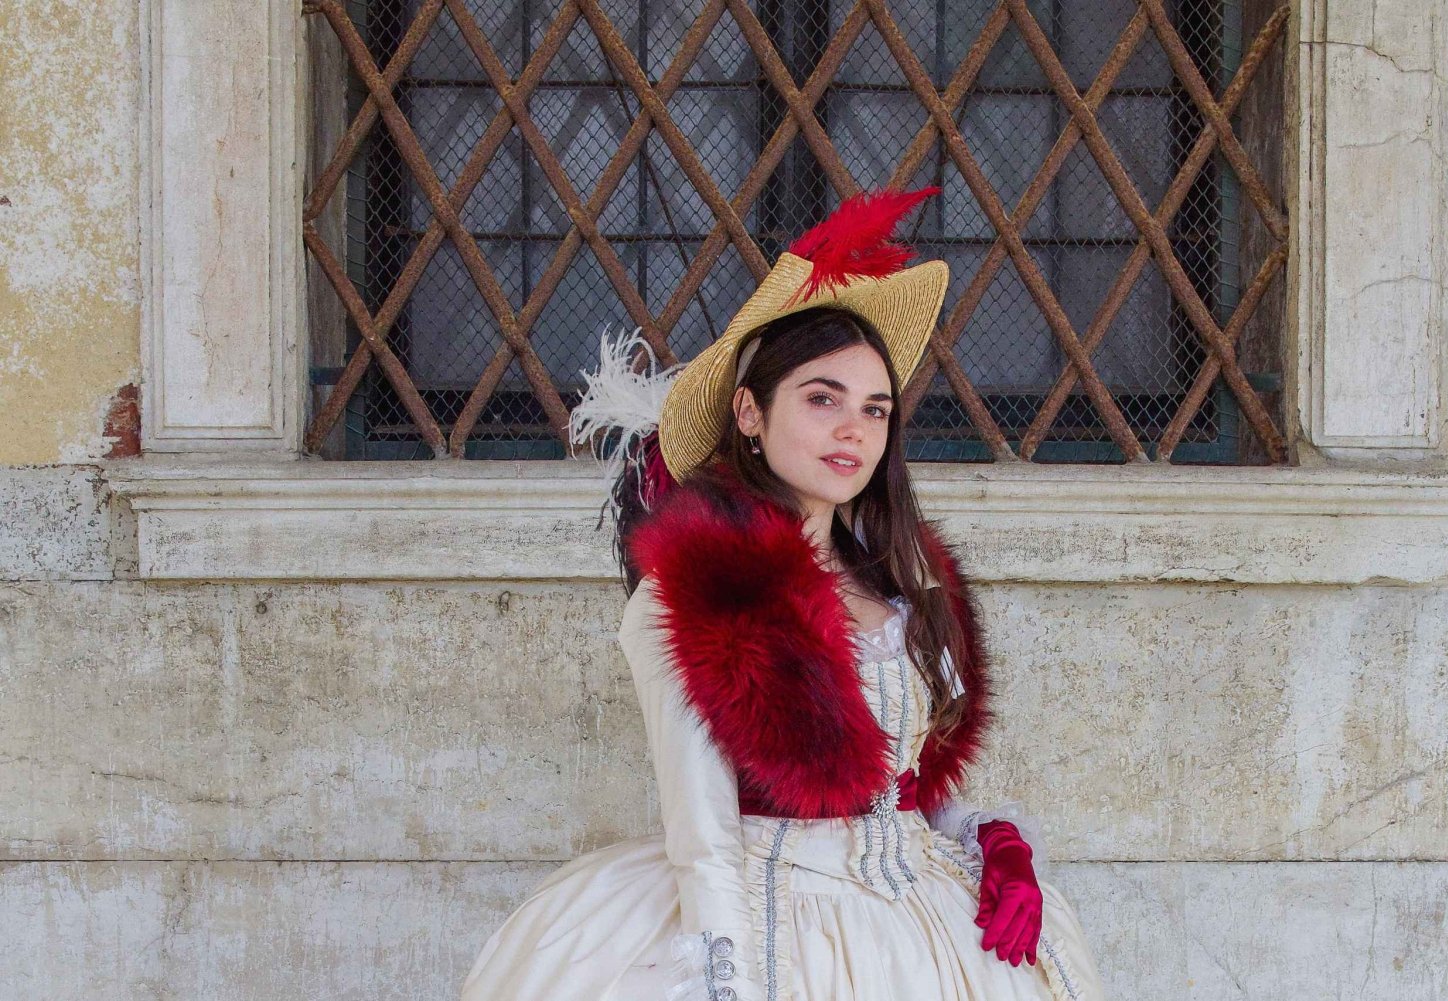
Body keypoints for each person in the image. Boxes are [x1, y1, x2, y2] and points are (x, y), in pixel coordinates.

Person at [460, 188, 1106, 1001]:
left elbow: (901, 788)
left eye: (875, 409)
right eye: (822, 398)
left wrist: (996, 845)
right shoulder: (693, 596)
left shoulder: (907, 582)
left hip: (926, 928)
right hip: (774, 924)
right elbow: (703, 836)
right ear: (750, 412)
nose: (853, 429)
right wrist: (728, 983)